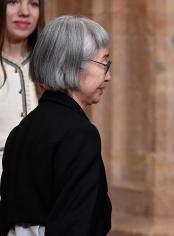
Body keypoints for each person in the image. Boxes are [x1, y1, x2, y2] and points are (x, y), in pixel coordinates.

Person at [0, 15, 112, 235]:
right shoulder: (79, 134)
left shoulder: (21, 131)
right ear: (66, 65)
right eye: (103, 63)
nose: (108, 76)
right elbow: (75, 224)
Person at [0, 0, 45, 178]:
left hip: (40, 192)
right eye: (13, 1)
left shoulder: (48, 66)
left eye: (33, 4)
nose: (24, 12)